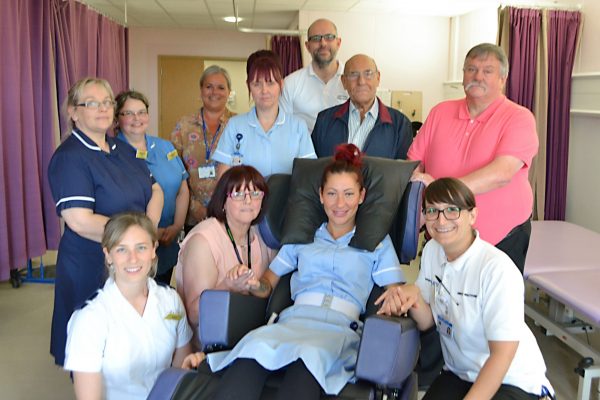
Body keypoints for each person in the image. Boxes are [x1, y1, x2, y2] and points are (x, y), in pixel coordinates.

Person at [209, 144, 406, 399]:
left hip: (338, 329)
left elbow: (394, 293)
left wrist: (398, 297)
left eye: (348, 194)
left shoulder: (376, 242)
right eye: (332, 194)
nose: (340, 204)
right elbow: (267, 283)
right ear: (321, 195)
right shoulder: (302, 237)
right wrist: (251, 283)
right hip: (292, 321)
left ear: (361, 195)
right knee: (252, 349)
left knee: (310, 358)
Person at [375, 178, 554, 400]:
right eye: (432, 210)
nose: (441, 220)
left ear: (472, 215)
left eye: (452, 210)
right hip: (460, 373)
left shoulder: (496, 269)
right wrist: (411, 297)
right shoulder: (432, 251)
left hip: (512, 379)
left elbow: (502, 356)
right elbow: (428, 321)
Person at [47, 77, 164, 366]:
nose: (102, 108)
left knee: (130, 344)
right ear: (73, 112)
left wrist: (145, 233)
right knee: (95, 351)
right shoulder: (70, 158)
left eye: (107, 102)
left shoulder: (121, 149)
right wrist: (138, 239)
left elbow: (156, 190)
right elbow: (80, 220)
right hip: (91, 264)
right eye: (92, 103)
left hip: (132, 259)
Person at [408, 43, 538, 273]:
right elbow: (414, 164)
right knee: (436, 303)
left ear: (503, 78)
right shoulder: (440, 112)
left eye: (487, 71)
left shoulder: (519, 118)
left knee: (491, 307)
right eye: (471, 69)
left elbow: (501, 174)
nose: (478, 76)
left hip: (501, 239)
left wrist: (441, 191)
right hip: (442, 235)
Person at [64, 212, 193, 400]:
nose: (133, 258)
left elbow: (182, 371)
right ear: (108, 255)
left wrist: (192, 366)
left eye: (141, 248)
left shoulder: (170, 300)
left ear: (153, 250)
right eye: (122, 249)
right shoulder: (90, 318)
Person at [175, 165, 274, 351]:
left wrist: (256, 286)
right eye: (238, 194)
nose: (248, 201)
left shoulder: (262, 235)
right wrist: (228, 287)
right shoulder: (203, 240)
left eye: (255, 194)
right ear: (223, 201)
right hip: (208, 348)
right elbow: (194, 315)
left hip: (250, 339)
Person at [115, 90, 190, 285]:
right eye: (128, 113)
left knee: (161, 292)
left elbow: (182, 187)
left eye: (141, 112)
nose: (136, 118)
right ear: (117, 118)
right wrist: (150, 233)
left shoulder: (165, 147)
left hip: (168, 239)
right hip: (133, 245)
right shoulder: (112, 154)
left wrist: (176, 227)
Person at [212, 50, 316, 178]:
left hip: (288, 198)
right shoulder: (235, 125)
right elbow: (224, 177)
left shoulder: (298, 126)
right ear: (248, 86)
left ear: (281, 85)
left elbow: (309, 174)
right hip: (246, 198)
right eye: (256, 84)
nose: (264, 90)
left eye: (270, 83)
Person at [171, 65, 236, 232]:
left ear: (229, 92)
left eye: (221, 87)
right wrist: (193, 206)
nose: (214, 92)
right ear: (201, 90)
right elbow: (173, 171)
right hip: (192, 216)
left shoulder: (240, 125)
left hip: (232, 214)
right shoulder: (184, 126)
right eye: (209, 87)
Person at [312, 54, 412, 159]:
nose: (361, 82)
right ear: (344, 81)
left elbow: (402, 172)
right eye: (353, 75)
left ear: (378, 78)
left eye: (368, 74)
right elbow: (314, 169)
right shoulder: (324, 121)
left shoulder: (400, 125)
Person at [279, 18, 348, 132]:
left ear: (338, 42)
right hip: (304, 149)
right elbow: (283, 129)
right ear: (307, 46)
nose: (323, 43)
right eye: (316, 38)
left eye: (329, 37)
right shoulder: (291, 84)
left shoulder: (354, 80)